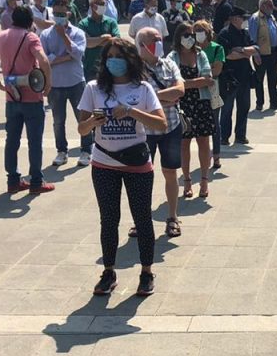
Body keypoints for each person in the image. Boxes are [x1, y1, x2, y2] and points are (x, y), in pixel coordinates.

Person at [76, 37, 168, 297]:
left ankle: (147, 272)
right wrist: (94, 121)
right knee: (108, 219)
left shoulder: (143, 89)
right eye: (110, 57)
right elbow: (81, 128)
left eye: (119, 56)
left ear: (130, 60)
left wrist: (130, 111)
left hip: (136, 163)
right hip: (104, 163)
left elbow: (161, 124)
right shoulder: (93, 88)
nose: (114, 61)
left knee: (142, 219)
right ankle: (108, 271)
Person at [0, 5, 53, 194]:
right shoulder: (30, 37)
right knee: (34, 141)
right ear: (30, 21)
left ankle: (13, 180)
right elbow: (43, 60)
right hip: (32, 96)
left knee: (12, 140)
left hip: (11, 97)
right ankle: (36, 181)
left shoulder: (1, 36)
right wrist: (47, 84)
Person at [137, 26, 187, 238]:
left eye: (159, 39)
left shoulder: (169, 64)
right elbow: (135, 99)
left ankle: (172, 217)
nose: (158, 43)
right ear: (141, 45)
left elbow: (180, 90)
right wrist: (165, 97)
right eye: (153, 40)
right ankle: (141, 220)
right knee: (141, 176)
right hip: (143, 131)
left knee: (170, 173)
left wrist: (151, 97)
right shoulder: (134, 69)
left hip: (170, 127)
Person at [40, 0, 90, 167]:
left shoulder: (77, 33)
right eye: (56, 14)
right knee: (58, 121)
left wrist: (64, 37)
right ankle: (62, 151)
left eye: (62, 14)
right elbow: (44, 59)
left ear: (68, 13)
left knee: (82, 117)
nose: (58, 17)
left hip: (76, 82)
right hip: (55, 84)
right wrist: (64, 57)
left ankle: (86, 150)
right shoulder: (46, 34)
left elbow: (78, 54)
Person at [173, 23, 216, 207]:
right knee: (184, 144)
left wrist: (184, 84)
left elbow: (208, 79)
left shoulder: (200, 55)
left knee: (204, 142)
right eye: (186, 35)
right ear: (178, 37)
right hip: (182, 106)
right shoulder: (172, 57)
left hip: (201, 103)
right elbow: (171, 82)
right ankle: (187, 181)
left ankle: (204, 180)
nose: (190, 38)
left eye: (192, 35)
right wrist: (195, 82)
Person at [217, 6, 257, 146]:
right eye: (243, 18)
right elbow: (228, 55)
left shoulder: (245, 33)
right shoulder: (224, 33)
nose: (245, 20)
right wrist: (245, 54)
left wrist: (241, 50)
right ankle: (224, 137)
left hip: (245, 76)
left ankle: (240, 136)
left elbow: (254, 48)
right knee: (227, 109)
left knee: (244, 107)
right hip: (229, 77)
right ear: (234, 19)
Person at [195, 20, 225, 169]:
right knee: (200, 125)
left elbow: (217, 70)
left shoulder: (217, 48)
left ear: (207, 33)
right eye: (196, 32)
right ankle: (204, 155)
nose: (198, 34)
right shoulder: (192, 50)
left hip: (213, 90)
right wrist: (208, 70)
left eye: (201, 31)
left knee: (214, 124)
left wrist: (199, 74)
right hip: (196, 91)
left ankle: (216, 156)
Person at [249, 0, 277, 112]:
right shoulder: (255, 18)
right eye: (270, 5)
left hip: (273, 52)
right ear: (263, 6)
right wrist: (255, 54)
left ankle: (274, 102)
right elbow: (252, 39)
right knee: (259, 79)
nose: (272, 7)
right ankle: (259, 103)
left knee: (273, 79)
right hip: (261, 54)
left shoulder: (271, 17)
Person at [79, 0, 120, 84]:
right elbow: (86, 43)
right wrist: (103, 38)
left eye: (104, 3)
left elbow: (116, 40)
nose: (103, 6)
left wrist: (94, 41)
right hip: (90, 67)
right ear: (92, 6)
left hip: (109, 65)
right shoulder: (83, 24)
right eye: (101, 4)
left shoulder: (111, 22)